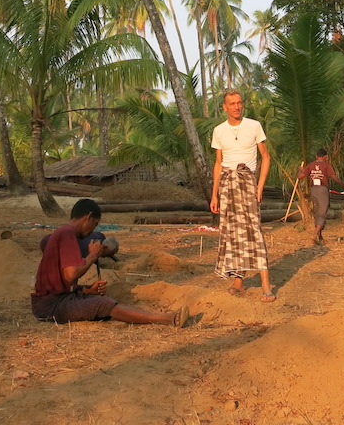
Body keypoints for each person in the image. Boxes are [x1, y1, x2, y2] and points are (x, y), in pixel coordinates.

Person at [32, 198, 188, 327]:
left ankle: (161, 317)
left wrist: (87, 290)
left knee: (99, 302)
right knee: (104, 304)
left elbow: (62, 281)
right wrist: (93, 255)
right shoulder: (67, 234)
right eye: (95, 224)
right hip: (51, 307)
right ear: (88, 217)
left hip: (54, 301)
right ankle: (165, 319)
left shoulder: (63, 233)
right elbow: (70, 274)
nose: (93, 230)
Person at [210, 90, 275, 302]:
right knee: (232, 233)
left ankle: (266, 283)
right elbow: (218, 164)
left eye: (239, 103)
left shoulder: (254, 126)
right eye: (232, 104)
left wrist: (260, 186)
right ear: (224, 107)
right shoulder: (219, 131)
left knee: (253, 230)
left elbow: (266, 157)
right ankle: (238, 281)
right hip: (227, 185)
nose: (236, 107)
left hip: (248, 182)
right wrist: (215, 195)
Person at [299, 148, 344, 246]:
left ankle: (320, 237)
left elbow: (300, 177)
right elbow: (334, 178)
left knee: (317, 212)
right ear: (325, 157)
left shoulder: (310, 165)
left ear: (316, 156)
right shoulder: (326, 166)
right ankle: (314, 235)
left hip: (313, 190)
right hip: (322, 190)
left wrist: (301, 170)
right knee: (322, 212)